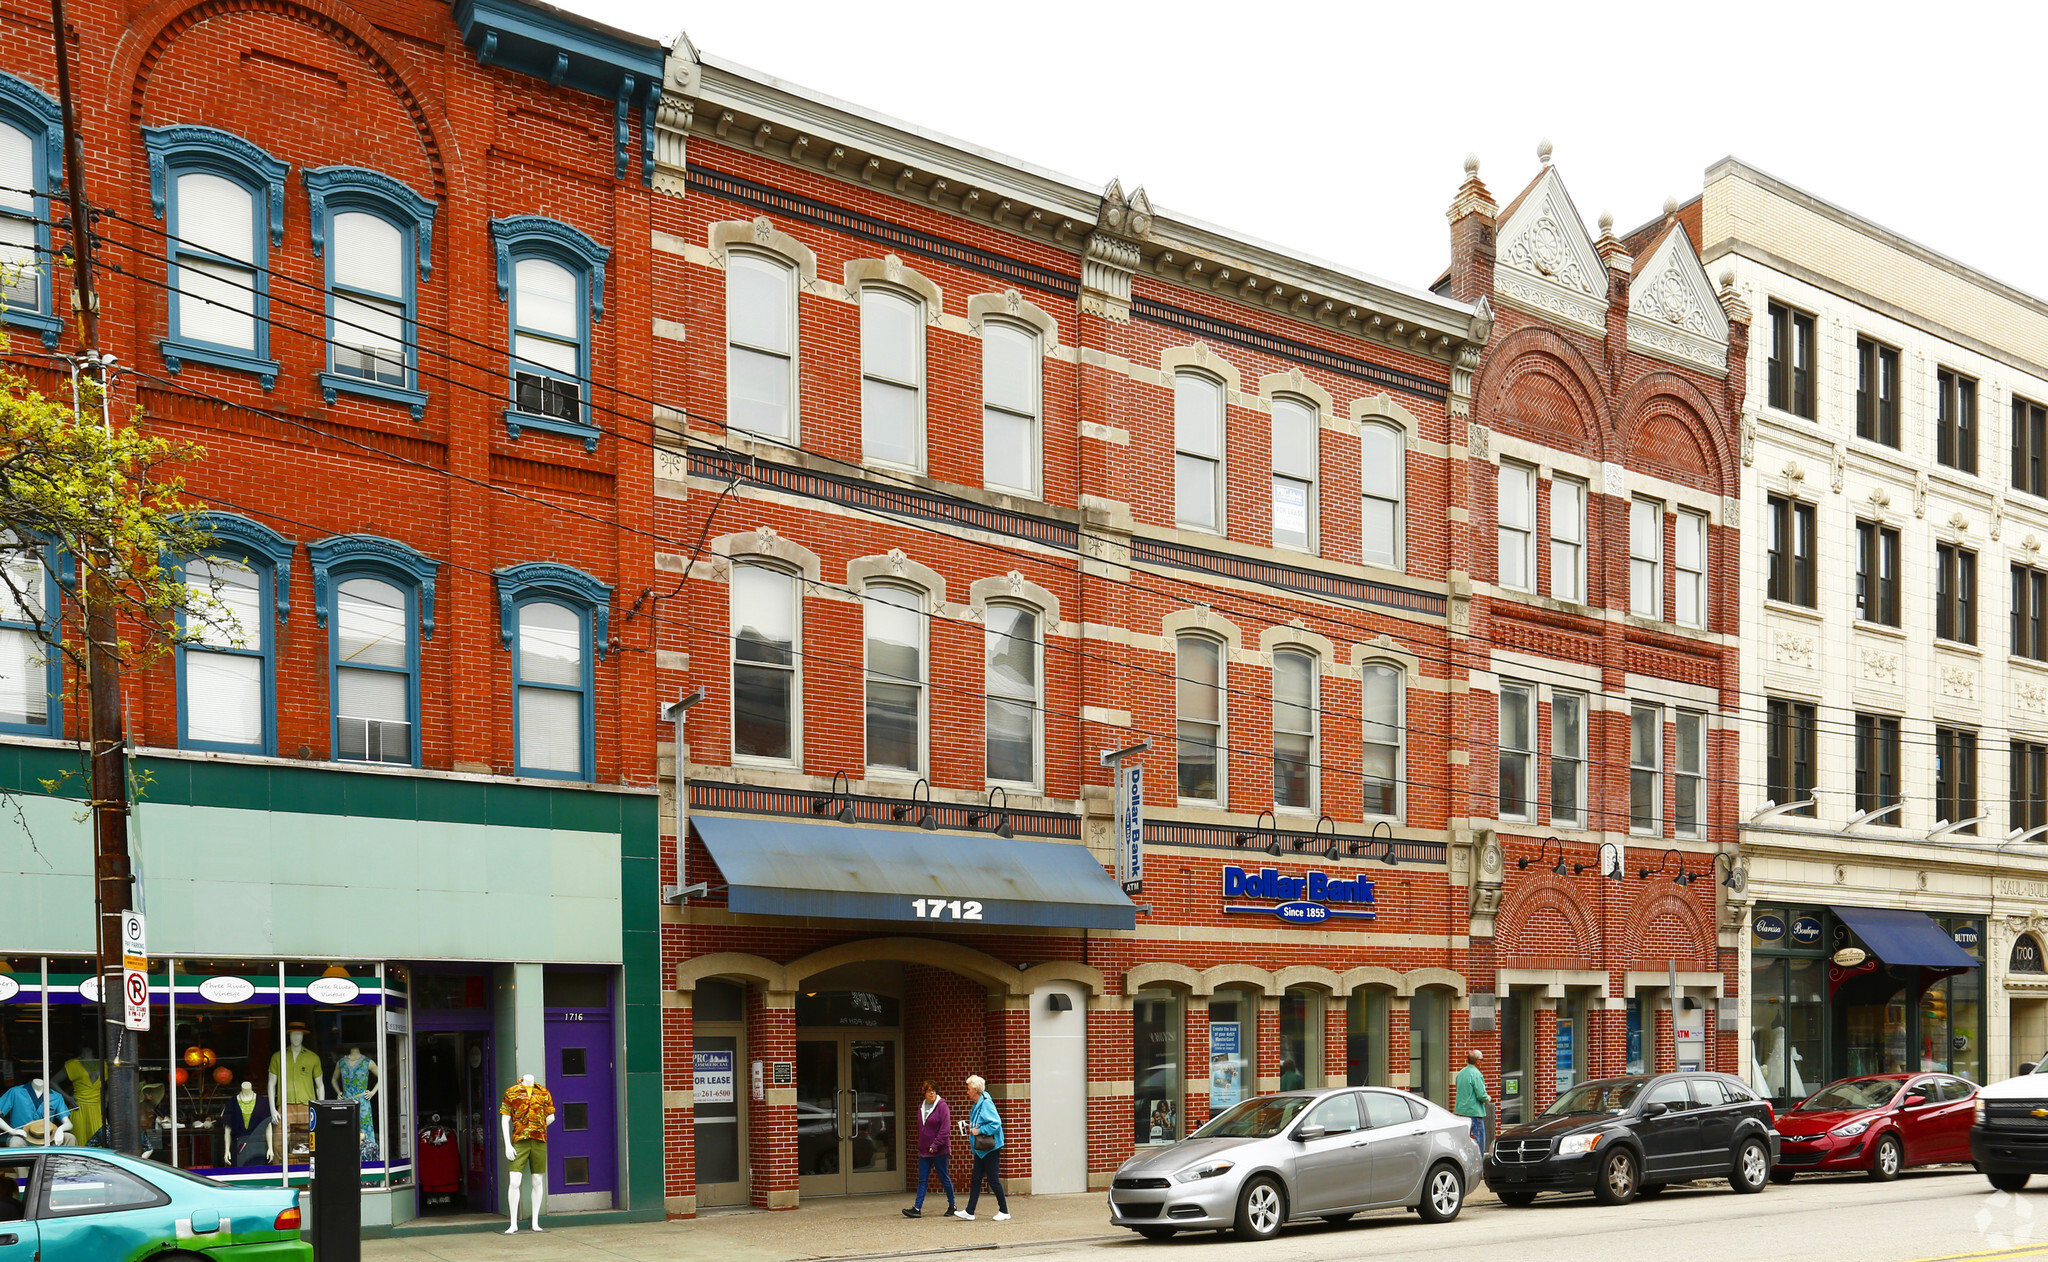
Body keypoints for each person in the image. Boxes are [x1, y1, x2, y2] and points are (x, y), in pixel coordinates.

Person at [953, 1074, 1008, 1222]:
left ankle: (1004, 1211)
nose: (967, 1092)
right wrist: (969, 1127)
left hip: (990, 1148)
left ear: (976, 1090)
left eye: (969, 1089)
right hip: (981, 1149)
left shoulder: (986, 1104)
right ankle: (970, 1211)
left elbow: (995, 1123)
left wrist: (979, 1131)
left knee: (993, 1179)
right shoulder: (978, 1104)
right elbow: (981, 1124)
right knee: (976, 1179)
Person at [903, 1080, 955, 1218]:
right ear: (924, 1093)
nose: (931, 1093)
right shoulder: (921, 1106)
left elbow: (945, 1129)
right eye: (928, 1091)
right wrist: (922, 1145)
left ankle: (952, 1205)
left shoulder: (942, 1106)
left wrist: (935, 1145)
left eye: (933, 1090)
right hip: (924, 1150)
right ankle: (917, 1208)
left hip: (939, 1150)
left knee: (944, 1178)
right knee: (922, 1179)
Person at [1453, 1048, 1491, 1150]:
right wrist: (1488, 1098)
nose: (1482, 1062)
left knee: (1464, 1144)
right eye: (1482, 1060)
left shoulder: (1461, 1073)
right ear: (1478, 1061)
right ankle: (1477, 1165)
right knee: (1478, 1144)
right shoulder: (1476, 1074)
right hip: (1474, 1114)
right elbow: (1481, 1095)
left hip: (1461, 1113)